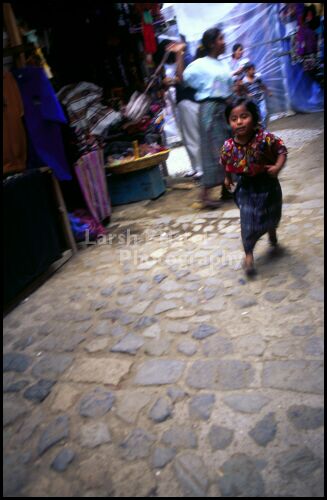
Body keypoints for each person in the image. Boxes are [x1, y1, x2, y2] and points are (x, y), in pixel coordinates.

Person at [220, 98, 287, 275]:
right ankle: (248, 255)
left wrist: (277, 166)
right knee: (248, 219)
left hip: (268, 184)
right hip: (247, 187)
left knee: (271, 212)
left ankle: (272, 232)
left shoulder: (265, 138)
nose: (239, 122)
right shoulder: (228, 146)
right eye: (234, 119)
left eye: (244, 116)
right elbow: (226, 163)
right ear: (229, 123)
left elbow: (282, 150)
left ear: (254, 117)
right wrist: (227, 178)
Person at [182, 27, 233, 208]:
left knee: (228, 148)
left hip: (224, 108)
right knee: (212, 150)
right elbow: (184, 77)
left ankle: (227, 189)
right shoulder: (199, 64)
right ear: (212, 43)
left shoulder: (222, 64)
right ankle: (204, 195)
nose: (224, 41)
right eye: (221, 38)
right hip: (210, 109)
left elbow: (225, 87)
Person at [163, 39, 203, 179]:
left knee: (193, 136)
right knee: (187, 137)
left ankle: (200, 167)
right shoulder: (179, 60)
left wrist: (179, 53)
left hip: (189, 101)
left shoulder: (185, 58)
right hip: (183, 102)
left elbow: (182, 78)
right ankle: (194, 166)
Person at [242, 62, 272, 128]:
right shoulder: (244, 81)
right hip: (253, 100)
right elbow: (244, 90)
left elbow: (263, 85)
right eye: (252, 70)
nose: (254, 71)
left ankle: (263, 129)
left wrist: (268, 92)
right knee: (257, 116)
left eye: (254, 69)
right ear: (247, 71)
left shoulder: (257, 77)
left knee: (264, 113)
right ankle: (260, 129)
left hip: (261, 99)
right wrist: (247, 94)